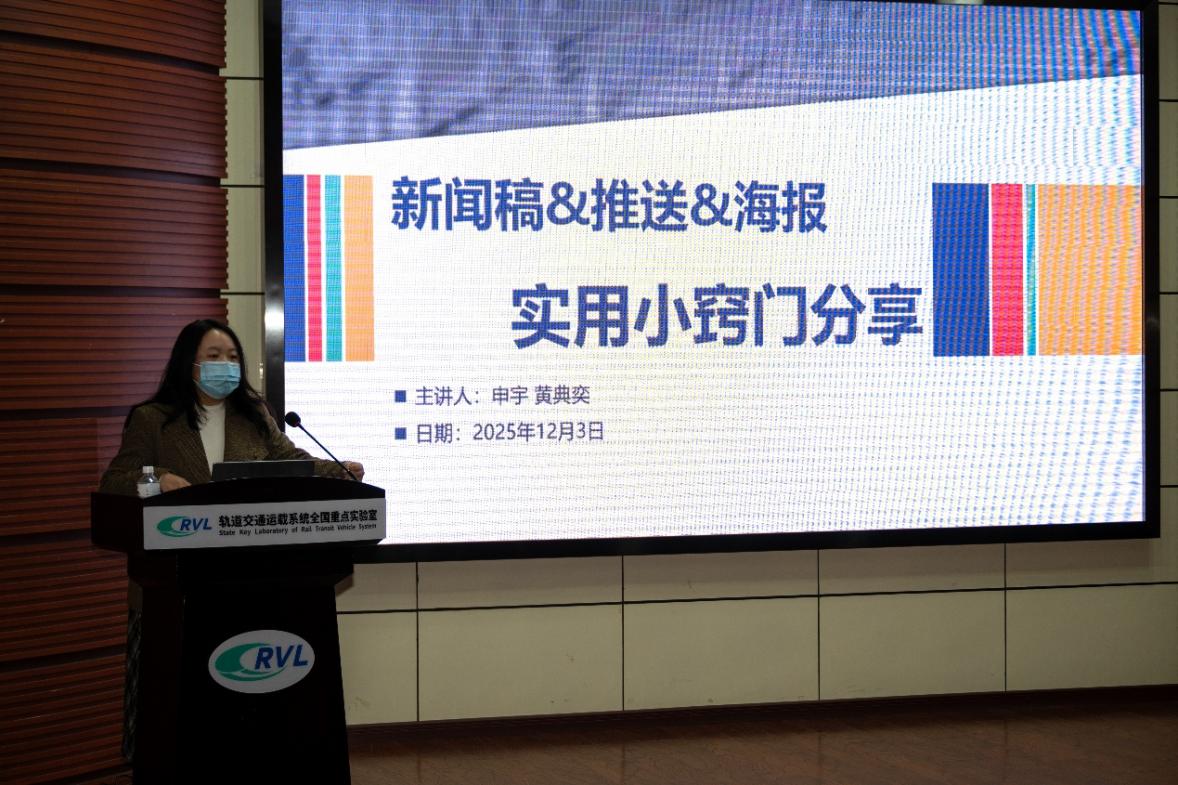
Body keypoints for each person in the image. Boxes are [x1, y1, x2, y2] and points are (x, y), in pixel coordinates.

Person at [100, 318, 363, 495]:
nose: (226, 364)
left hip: (244, 547)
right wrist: (159, 479)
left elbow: (291, 461)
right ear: (188, 363)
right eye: (214, 356)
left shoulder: (253, 415)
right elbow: (113, 481)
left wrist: (340, 470)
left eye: (233, 357)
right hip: (178, 547)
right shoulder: (152, 419)